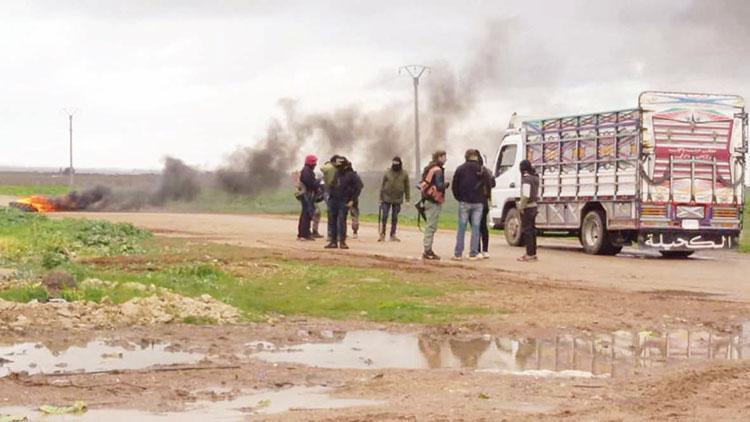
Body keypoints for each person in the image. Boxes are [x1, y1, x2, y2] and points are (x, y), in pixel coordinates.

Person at [451, 149, 485, 261]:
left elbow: (454, 186)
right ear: (476, 157)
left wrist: (459, 197)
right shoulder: (481, 169)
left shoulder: (460, 169)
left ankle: (458, 253)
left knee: (461, 227)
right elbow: (489, 183)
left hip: (464, 201)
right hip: (478, 202)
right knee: (476, 228)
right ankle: (473, 253)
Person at [326, 157, 360, 249]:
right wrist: (330, 195)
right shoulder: (337, 173)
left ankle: (342, 242)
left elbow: (359, 187)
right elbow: (332, 185)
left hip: (344, 201)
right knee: (332, 221)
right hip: (334, 201)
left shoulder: (352, 175)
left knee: (341, 221)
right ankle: (333, 242)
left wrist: (352, 200)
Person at [419, 150, 448, 260]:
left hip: (427, 200)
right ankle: (428, 250)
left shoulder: (429, 168)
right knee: (431, 227)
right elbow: (440, 186)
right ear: (439, 157)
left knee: (430, 226)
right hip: (434, 201)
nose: (446, 159)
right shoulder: (438, 171)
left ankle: (428, 249)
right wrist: (446, 184)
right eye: (444, 157)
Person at [378, 156, 410, 242]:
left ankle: (393, 234)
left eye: (397, 163)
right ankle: (382, 234)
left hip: (398, 198)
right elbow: (383, 185)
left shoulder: (404, 174)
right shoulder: (387, 172)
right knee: (384, 216)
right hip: (386, 198)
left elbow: (407, 187)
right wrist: (380, 198)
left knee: (394, 217)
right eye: (394, 163)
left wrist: (407, 199)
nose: (395, 165)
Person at [518, 159, 539, 262]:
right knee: (532, 231)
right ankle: (533, 253)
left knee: (527, 231)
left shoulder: (526, 179)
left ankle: (529, 254)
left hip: (528, 207)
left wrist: (521, 206)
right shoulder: (535, 177)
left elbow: (526, 195)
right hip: (534, 205)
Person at [477, 153, 496, 259]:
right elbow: (493, 183)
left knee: (476, 227)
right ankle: (485, 250)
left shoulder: (475, 172)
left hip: (476, 201)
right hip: (484, 201)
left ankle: (477, 250)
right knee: (484, 226)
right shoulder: (487, 172)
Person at [321, 155, 342, 242]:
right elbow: (322, 168)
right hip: (330, 191)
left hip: (336, 192)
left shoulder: (338, 169)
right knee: (333, 215)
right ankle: (332, 235)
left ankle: (335, 234)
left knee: (335, 215)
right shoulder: (330, 168)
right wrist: (331, 164)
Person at [296, 155, 318, 241]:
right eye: (314, 162)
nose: (315, 164)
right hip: (307, 195)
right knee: (306, 214)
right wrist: (317, 184)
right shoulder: (307, 171)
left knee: (306, 214)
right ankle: (304, 234)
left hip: (305, 195)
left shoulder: (306, 170)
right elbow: (310, 183)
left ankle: (303, 233)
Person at [348, 163, 364, 239]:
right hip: (352, 199)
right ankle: (355, 232)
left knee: (344, 216)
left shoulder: (343, 175)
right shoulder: (355, 176)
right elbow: (360, 186)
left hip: (348, 199)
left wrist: (353, 198)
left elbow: (360, 187)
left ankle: (354, 232)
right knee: (354, 216)